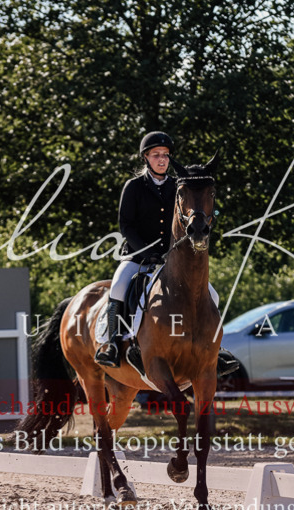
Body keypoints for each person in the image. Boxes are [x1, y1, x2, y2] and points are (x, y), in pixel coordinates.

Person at [94, 131, 239, 377]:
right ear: (146, 158)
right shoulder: (134, 187)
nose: (161, 159)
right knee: (118, 286)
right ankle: (113, 343)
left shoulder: (178, 186)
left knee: (211, 294)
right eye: (156, 155)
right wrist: (148, 252)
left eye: (165, 155)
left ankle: (215, 349)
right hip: (138, 256)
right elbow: (126, 226)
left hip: (172, 259)